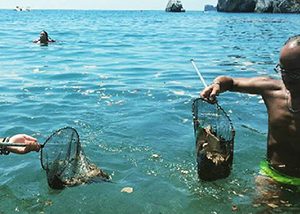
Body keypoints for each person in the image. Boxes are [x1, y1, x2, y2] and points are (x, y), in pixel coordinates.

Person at [200, 35, 300, 204]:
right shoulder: (272, 89)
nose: (286, 77)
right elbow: (231, 82)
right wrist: (217, 84)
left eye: (294, 73)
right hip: (272, 174)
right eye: (282, 70)